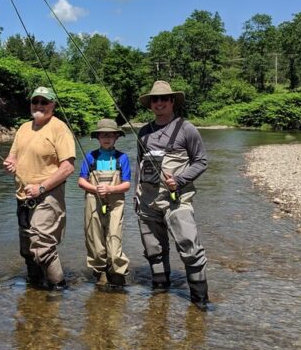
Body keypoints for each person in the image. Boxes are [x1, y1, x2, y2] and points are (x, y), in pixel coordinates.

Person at [135, 81, 210, 310]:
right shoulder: (143, 132)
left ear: (172, 101)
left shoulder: (187, 129)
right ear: (150, 104)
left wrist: (179, 180)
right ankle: (159, 296)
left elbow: (201, 162)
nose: (159, 103)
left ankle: (200, 302)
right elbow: (139, 165)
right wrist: (135, 195)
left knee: (190, 249)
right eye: (155, 99)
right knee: (153, 250)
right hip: (147, 200)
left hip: (177, 199)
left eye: (164, 99)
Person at [3, 87, 75, 290]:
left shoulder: (59, 128)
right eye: (35, 102)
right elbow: (12, 157)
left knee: (42, 247)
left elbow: (68, 167)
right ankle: (34, 287)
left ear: (53, 105)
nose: (39, 106)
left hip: (47, 196)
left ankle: (58, 287)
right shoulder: (23, 128)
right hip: (22, 196)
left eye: (44, 102)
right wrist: (9, 163)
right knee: (27, 248)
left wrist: (41, 188)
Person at [77, 118, 131, 288]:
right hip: (93, 200)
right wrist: (95, 189)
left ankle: (117, 272)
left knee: (114, 238)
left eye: (110, 135)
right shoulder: (90, 156)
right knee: (95, 238)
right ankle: (100, 271)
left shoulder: (122, 158)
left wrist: (109, 189)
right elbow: (81, 181)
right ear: (98, 137)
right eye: (103, 135)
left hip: (115, 201)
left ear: (116, 137)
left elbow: (127, 185)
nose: (106, 138)